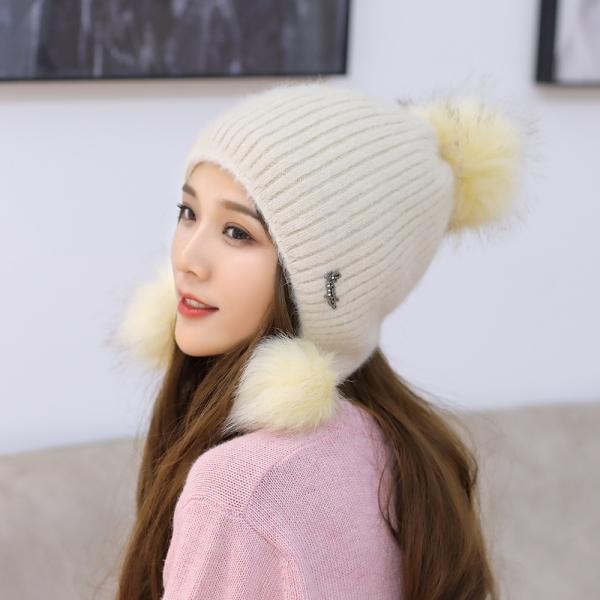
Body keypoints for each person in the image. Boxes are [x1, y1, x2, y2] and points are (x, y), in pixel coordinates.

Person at [110, 80, 527, 599]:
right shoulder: (405, 449)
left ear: (325, 284)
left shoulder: (240, 490)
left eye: (238, 232)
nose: (188, 259)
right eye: (188, 213)